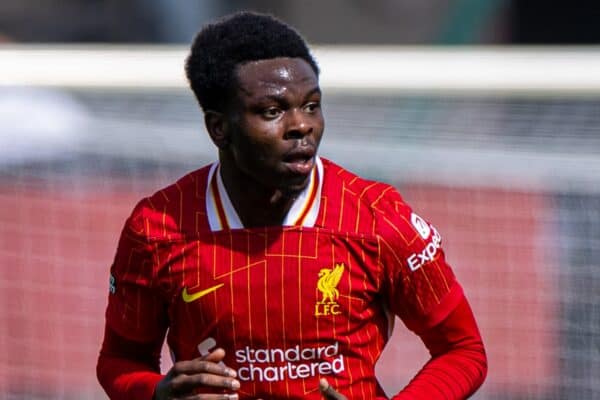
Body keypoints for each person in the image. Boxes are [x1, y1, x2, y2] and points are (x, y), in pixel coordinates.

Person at [97, 11, 487, 400]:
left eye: (312, 105)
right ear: (219, 128)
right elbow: (121, 359)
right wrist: (156, 394)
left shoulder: (378, 218)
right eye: (273, 111)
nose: (302, 125)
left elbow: (463, 350)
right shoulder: (158, 228)